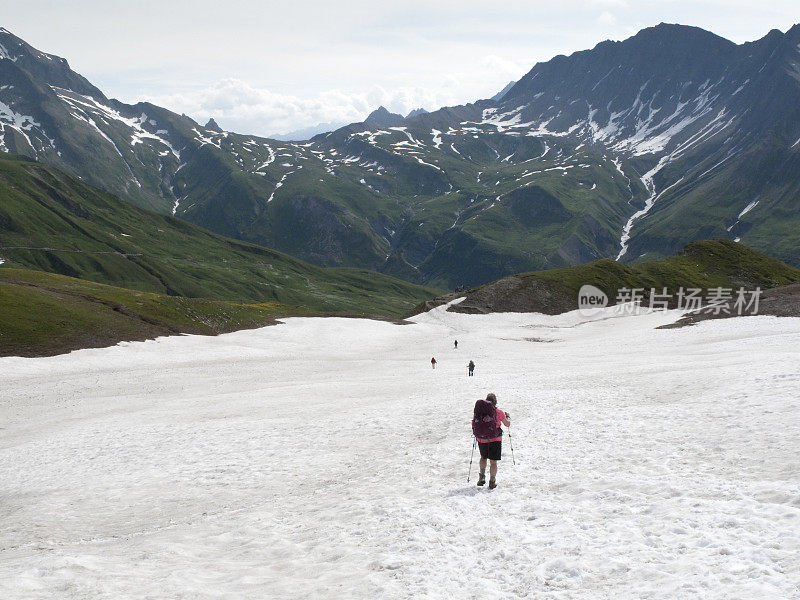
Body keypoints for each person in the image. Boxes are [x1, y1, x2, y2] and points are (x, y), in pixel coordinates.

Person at [472, 393, 510, 489]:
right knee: (493, 462)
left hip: (482, 439)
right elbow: (507, 424)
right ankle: (492, 481)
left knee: (483, 458)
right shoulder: (498, 412)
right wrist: (507, 417)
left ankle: (481, 478)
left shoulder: (480, 412)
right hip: (495, 440)